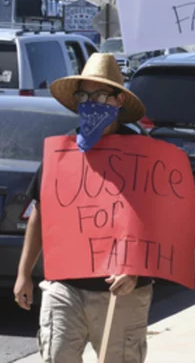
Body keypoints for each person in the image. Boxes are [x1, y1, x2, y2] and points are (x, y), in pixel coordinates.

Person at [13, 53, 153, 363]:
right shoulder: (61, 152)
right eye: (84, 95)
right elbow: (42, 212)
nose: (90, 102)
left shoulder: (143, 156)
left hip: (123, 292)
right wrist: (24, 273)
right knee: (56, 356)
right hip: (65, 286)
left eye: (100, 95)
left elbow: (159, 223)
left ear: (118, 101)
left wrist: (136, 268)